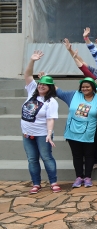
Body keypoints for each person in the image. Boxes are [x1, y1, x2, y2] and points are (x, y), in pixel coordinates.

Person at [22, 51, 60, 194]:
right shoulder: (32, 91)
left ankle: (53, 182)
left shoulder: (51, 102)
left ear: (50, 88)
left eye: (45, 85)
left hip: (42, 134)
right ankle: (36, 183)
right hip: (27, 134)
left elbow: (50, 119)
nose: (42, 86)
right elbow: (27, 75)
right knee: (32, 159)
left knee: (46, 157)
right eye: (41, 84)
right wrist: (32, 61)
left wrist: (49, 135)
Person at [56, 77, 97, 188]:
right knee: (77, 156)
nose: (85, 88)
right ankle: (79, 177)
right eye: (83, 87)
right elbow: (58, 91)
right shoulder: (73, 95)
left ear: (93, 88)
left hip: (89, 133)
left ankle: (87, 177)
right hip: (73, 132)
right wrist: (45, 78)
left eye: (87, 86)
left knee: (89, 155)